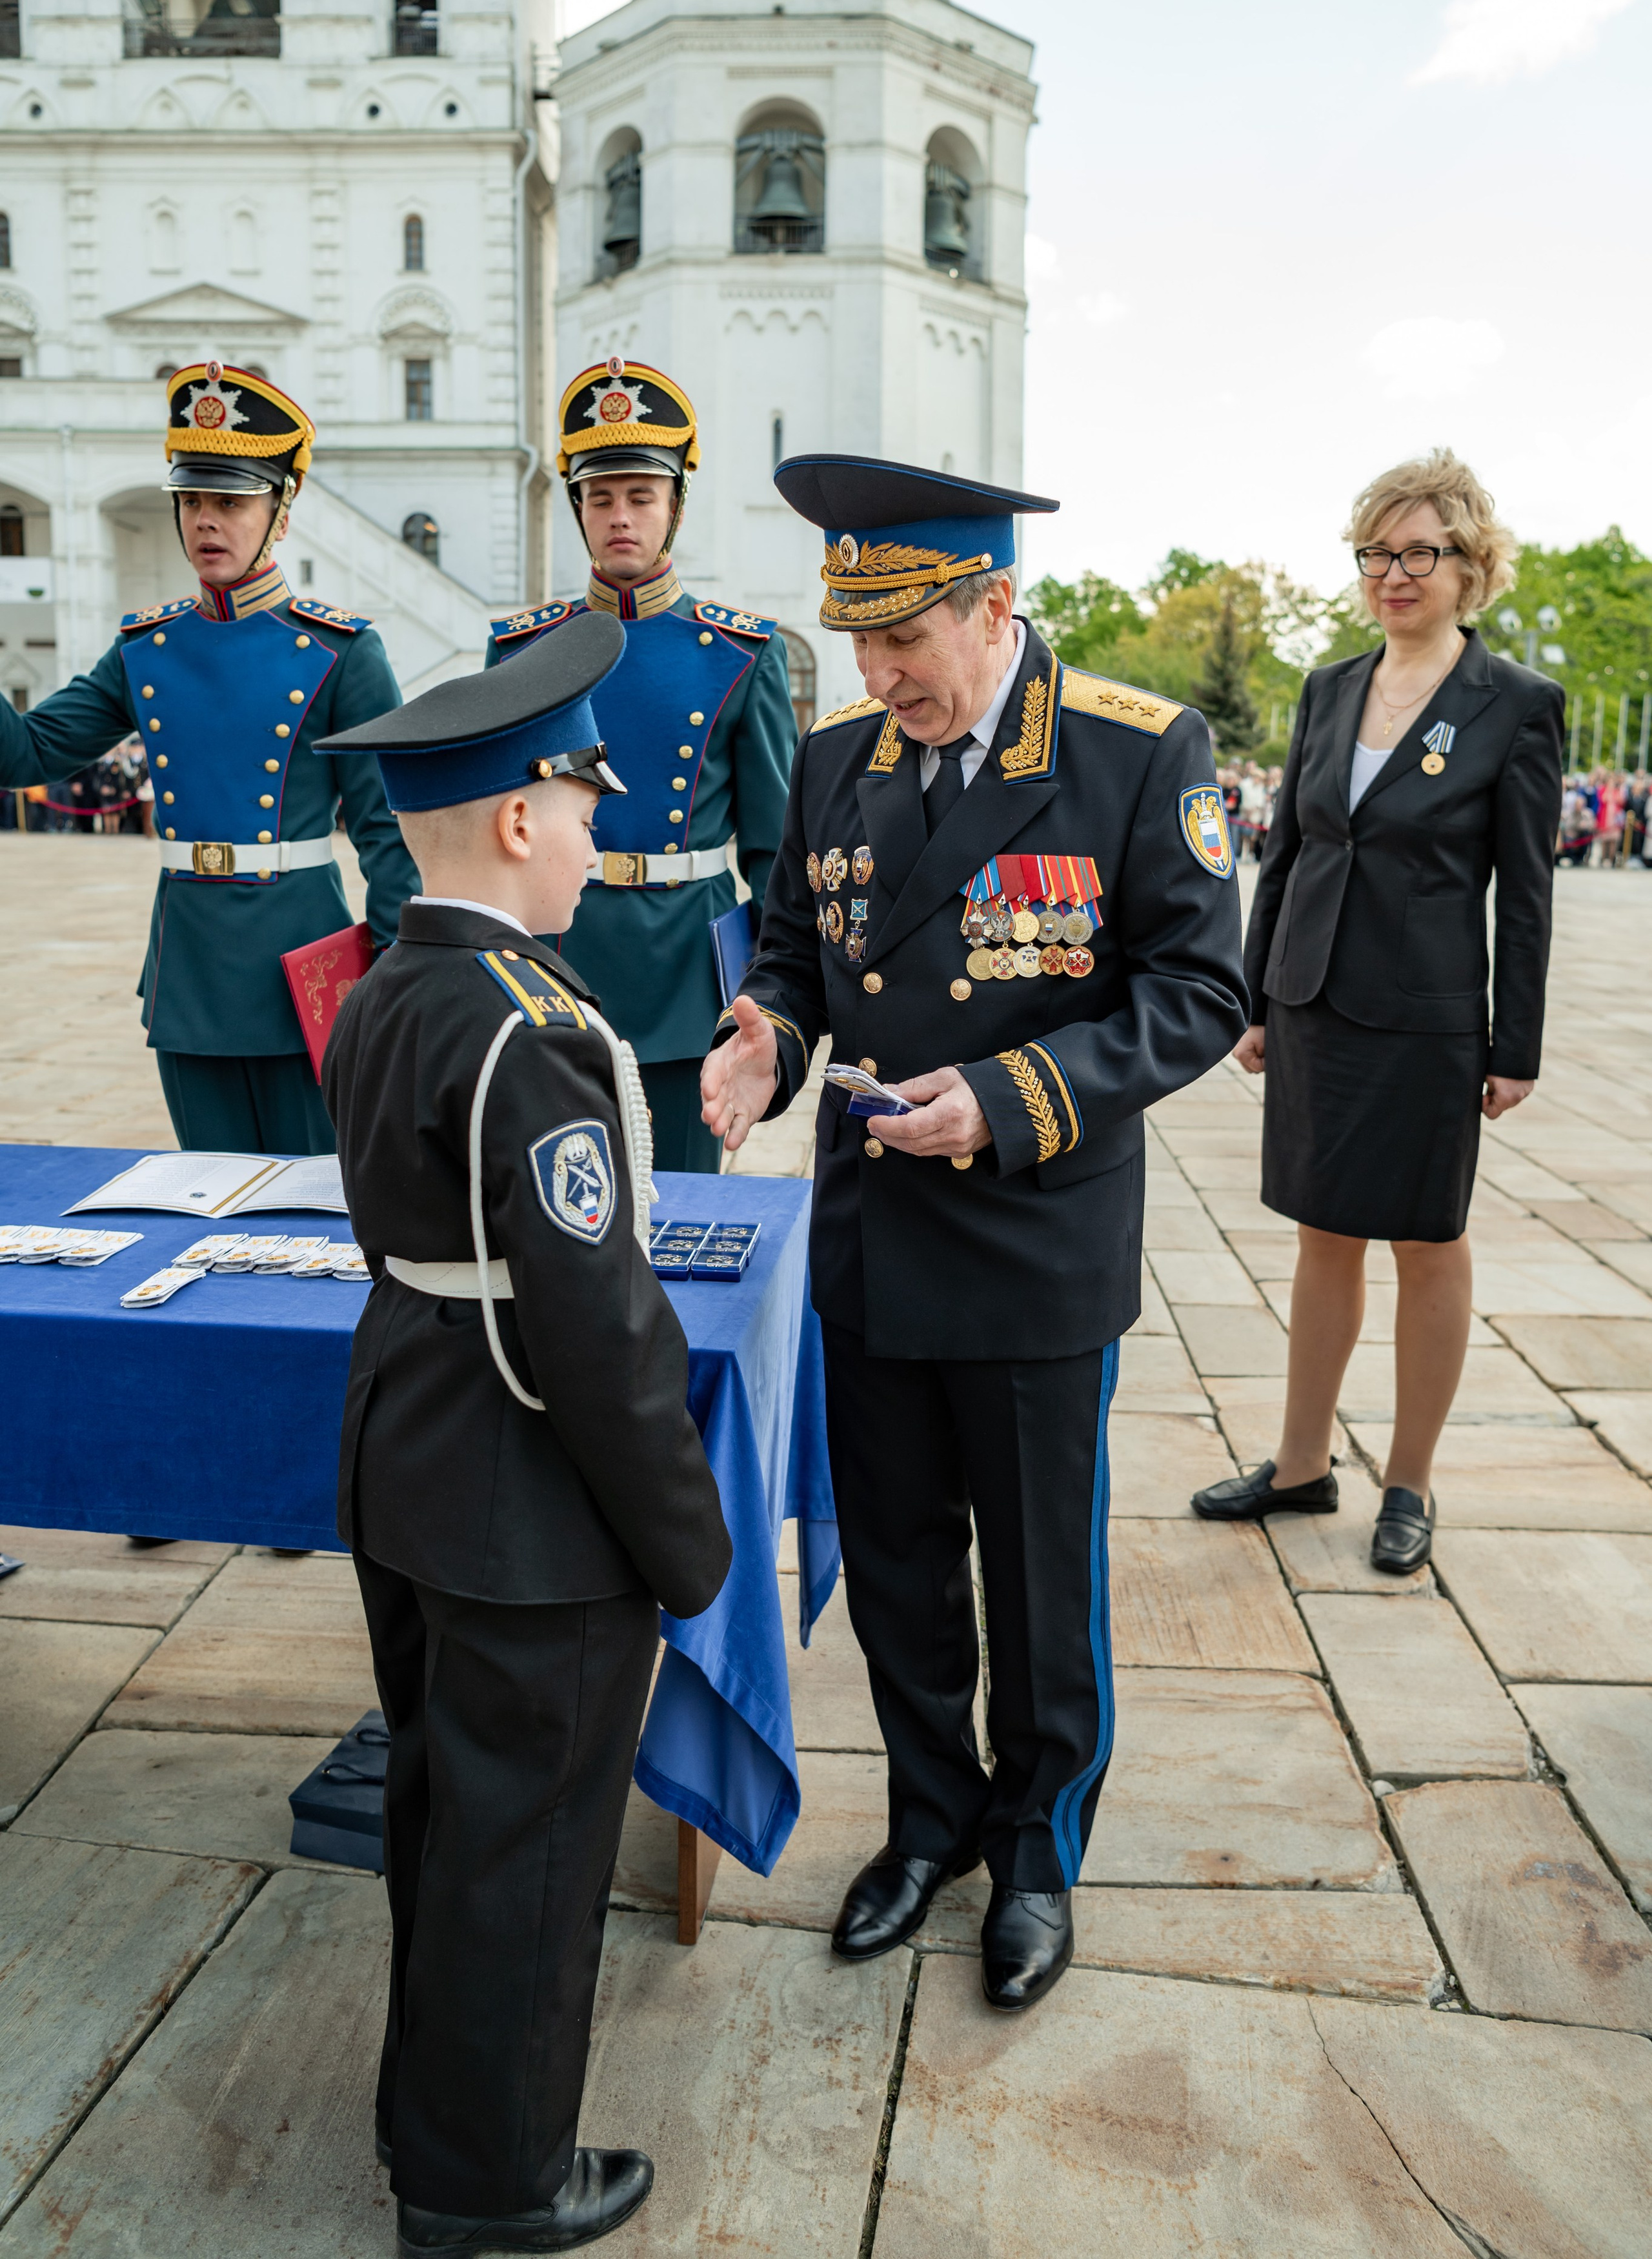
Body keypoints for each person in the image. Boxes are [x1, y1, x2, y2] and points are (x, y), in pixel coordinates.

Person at [701, 456, 1247, 2011]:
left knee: (1036, 1584)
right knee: (894, 1567)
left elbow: (1198, 993)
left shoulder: (1131, 751)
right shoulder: (835, 758)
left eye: (903, 640)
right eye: (857, 644)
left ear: (993, 605)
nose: (878, 678)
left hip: (1027, 1239)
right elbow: (796, 946)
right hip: (874, 1235)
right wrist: (763, 1033)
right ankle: (928, 1818)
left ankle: (1034, 1851)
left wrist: (1007, 1097)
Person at [316, 616, 731, 2256]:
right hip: (523, 1497)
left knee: (445, 1818)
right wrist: (686, 1539)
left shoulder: (391, 986)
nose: (593, 840)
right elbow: (596, 1333)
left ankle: (429, 2120)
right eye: (576, 808)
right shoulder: (523, 1025)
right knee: (530, 1849)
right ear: (511, 818)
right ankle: (489, 2183)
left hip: (412, 1453)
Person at [1193, 449, 1564, 1572]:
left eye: (1419, 553)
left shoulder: (1517, 705)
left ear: (1470, 566)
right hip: (1313, 1002)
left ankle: (1410, 1480)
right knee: (1323, 1234)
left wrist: (1516, 1044)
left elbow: (1526, 894)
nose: (1393, 574)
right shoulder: (1329, 688)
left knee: (1427, 1241)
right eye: (1375, 553)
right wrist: (1254, 996)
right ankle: (1301, 1464)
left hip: (1427, 1018)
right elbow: (1289, 853)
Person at [0, 363, 418, 1153]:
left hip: (304, 973)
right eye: (192, 500)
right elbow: (26, 752)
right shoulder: (146, 648)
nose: (206, 521)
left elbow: (386, 828)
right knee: (204, 1200)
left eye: (230, 502)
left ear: (280, 513)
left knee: (310, 1203)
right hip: (191, 972)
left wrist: (399, 976)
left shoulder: (341, 651)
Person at [486, 357, 797, 1170]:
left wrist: (771, 997)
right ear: (578, 508)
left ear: (675, 506)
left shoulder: (739, 653)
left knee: (681, 1207)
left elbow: (774, 852)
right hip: (555, 961)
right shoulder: (521, 650)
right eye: (600, 497)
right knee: (554, 1198)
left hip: (686, 972)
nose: (619, 516)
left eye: (641, 495)